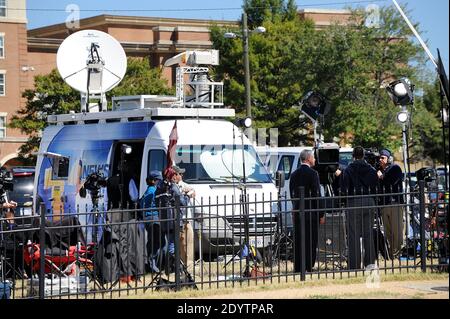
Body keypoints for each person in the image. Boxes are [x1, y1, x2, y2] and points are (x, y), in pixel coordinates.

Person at [340, 146, 378, 270]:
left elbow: (345, 188)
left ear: (353, 156)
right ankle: (370, 264)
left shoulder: (349, 169)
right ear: (363, 156)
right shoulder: (371, 169)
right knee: (369, 233)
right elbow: (375, 186)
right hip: (369, 201)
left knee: (353, 235)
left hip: (354, 202)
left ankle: (354, 265)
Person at [289, 149, 325, 273]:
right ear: (308, 158)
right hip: (311, 212)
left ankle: (298, 266)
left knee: (299, 240)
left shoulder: (294, 174)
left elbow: (292, 194)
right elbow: (316, 195)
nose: (315, 159)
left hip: (299, 211)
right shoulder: (313, 174)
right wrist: (321, 213)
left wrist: (294, 208)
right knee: (311, 240)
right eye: (313, 157)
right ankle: (309, 266)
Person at [377, 149, 404, 259]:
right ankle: (391, 256)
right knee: (388, 233)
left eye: (382, 157)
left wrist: (381, 177)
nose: (380, 159)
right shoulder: (378, 170)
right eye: (380, 157)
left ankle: (396, 256)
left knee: (396, 232)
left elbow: (392, 181)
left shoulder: (395, 168)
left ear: (389, 159)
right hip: (384, 205)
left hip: (395, 204)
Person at [171, 165, 195, 269]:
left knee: (188, 243)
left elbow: (193, 192)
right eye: (180, 174)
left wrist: (190, 192)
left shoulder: (185, 185)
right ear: (175, 175)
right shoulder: (172, 187)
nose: (182, 175)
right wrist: (185, 194)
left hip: (186, 219)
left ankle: (188, 266)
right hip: (177, 219)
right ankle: (179, 266)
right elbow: (180, 201)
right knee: (178, 245)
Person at [140, 171, 164, 273]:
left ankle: (153, 264)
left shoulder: (151, 190)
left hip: (152, 218)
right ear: (153, 181)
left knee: (157, 242)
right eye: (159, 180)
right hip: (153, 219)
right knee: (156, 242)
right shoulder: (152, 191)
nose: (160, 182)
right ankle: (152, 264)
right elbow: (143, 203)